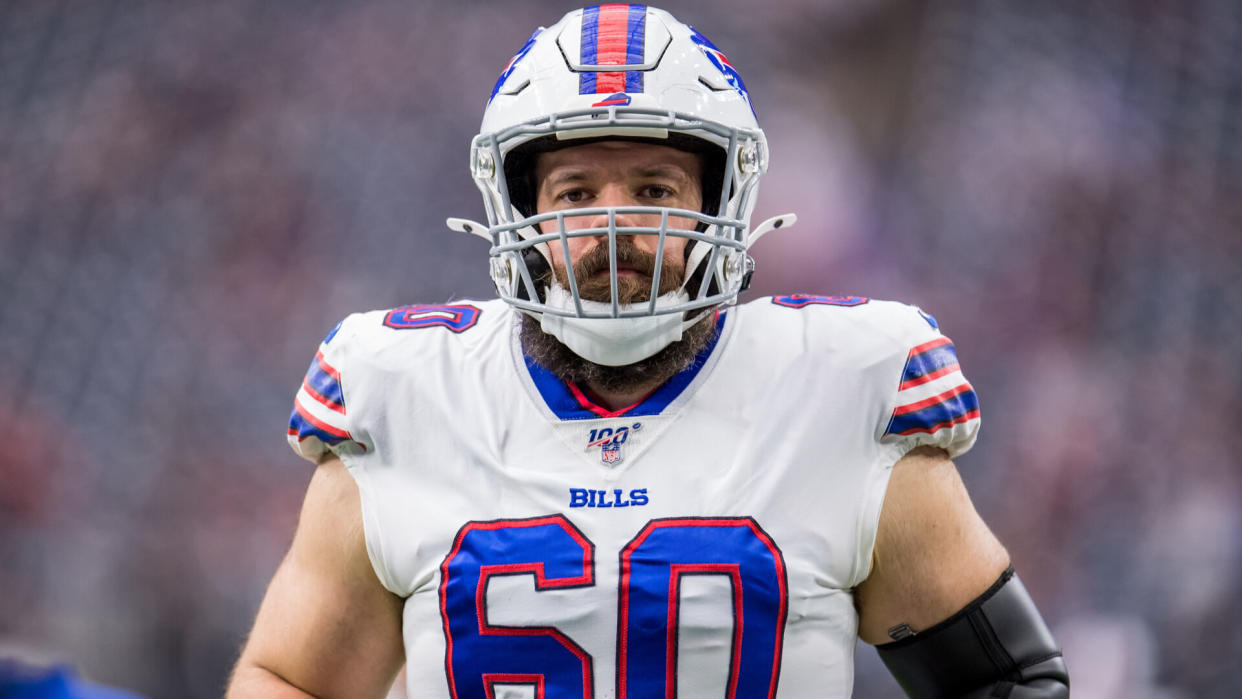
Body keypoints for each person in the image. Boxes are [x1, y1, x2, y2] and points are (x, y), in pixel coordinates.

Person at [228, 6, 1069, 698]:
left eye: (655, 188)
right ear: (519, 212)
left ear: (722, 206)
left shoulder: (836, 389)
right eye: (576, 191)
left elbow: (1004, 681)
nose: (614, 221)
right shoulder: (406, 396)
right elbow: (292, 678)